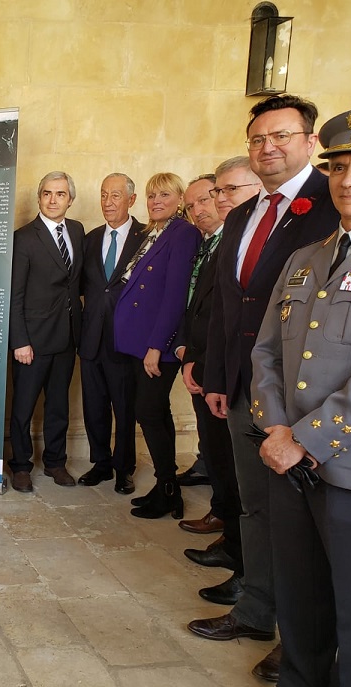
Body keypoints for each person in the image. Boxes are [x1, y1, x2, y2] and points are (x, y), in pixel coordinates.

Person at [233, 107, 351, 687]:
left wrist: (305, 438)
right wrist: (276, 428)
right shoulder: (306, 257)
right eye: (340, 166)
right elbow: (266, 351)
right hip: (288, 456)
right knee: (300, 588)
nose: (350, 179)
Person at [190, 95, 339, 685]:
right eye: (257, 139)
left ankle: (304, 642)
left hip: (305, 397)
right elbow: (232, 305)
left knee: (306, 524)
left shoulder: (334, 203)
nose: (267, 147)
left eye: (281, 136)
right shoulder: (242, 215)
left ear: (310, 142)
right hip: (244, 387)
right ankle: (256, 610)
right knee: (255, 506)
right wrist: (220, 378)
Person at [180, 159, 261, 610]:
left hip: (244, 377)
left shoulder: (253, 237)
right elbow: (202, 310)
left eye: (229, 191)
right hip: (213, 369)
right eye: (217, 193)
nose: (216, 202)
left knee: (240, 474)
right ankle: (233, 544)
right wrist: (193, 356)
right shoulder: (222, 242)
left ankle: (248, 570)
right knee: (221, 462)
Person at [115, 172, 199, 519]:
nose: (156, 201)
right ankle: (166, 487)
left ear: (180, 200)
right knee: (155, 411)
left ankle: (167, 489)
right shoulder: (153, 233)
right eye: (151, 195)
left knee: (148, 412)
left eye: (164, 195)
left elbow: (175, 295)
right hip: (139, 340)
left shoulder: (183, 233)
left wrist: (156, 345)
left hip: (157, 343)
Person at [8, 172, 84, 493]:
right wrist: (20, 341)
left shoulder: (77, 231)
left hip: (67, 336)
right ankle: (21, 466)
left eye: (60, 194)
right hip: (32, 341)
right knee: (23, 408)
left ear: (70, 199)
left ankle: (55, 462)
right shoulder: (24, 238)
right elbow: (15, 295)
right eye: (47, 194)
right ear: (39, 198)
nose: (53, 200)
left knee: (58, 405)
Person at [78, 173, 145, 495]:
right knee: (94, 407)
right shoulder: (90, 239)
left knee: (125, 407)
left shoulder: (147, 238)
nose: (107, 202)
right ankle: (101, 463)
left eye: (115, 195)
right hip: (91, 338)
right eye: (104, 195)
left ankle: (124, 468)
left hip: (126, 340)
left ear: (131, 200)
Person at [176, 173, 226, 534]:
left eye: (204, 200)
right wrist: (184, 349)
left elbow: (225, 314)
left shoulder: (231, 245)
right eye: (191, 206)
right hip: (197, 357)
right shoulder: (204, 245)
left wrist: (202, 360)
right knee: (211, 439)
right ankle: (222, 507)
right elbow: (191, 305)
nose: (198, 210)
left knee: (221, 444)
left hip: (217, 361)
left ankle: (224, 513)